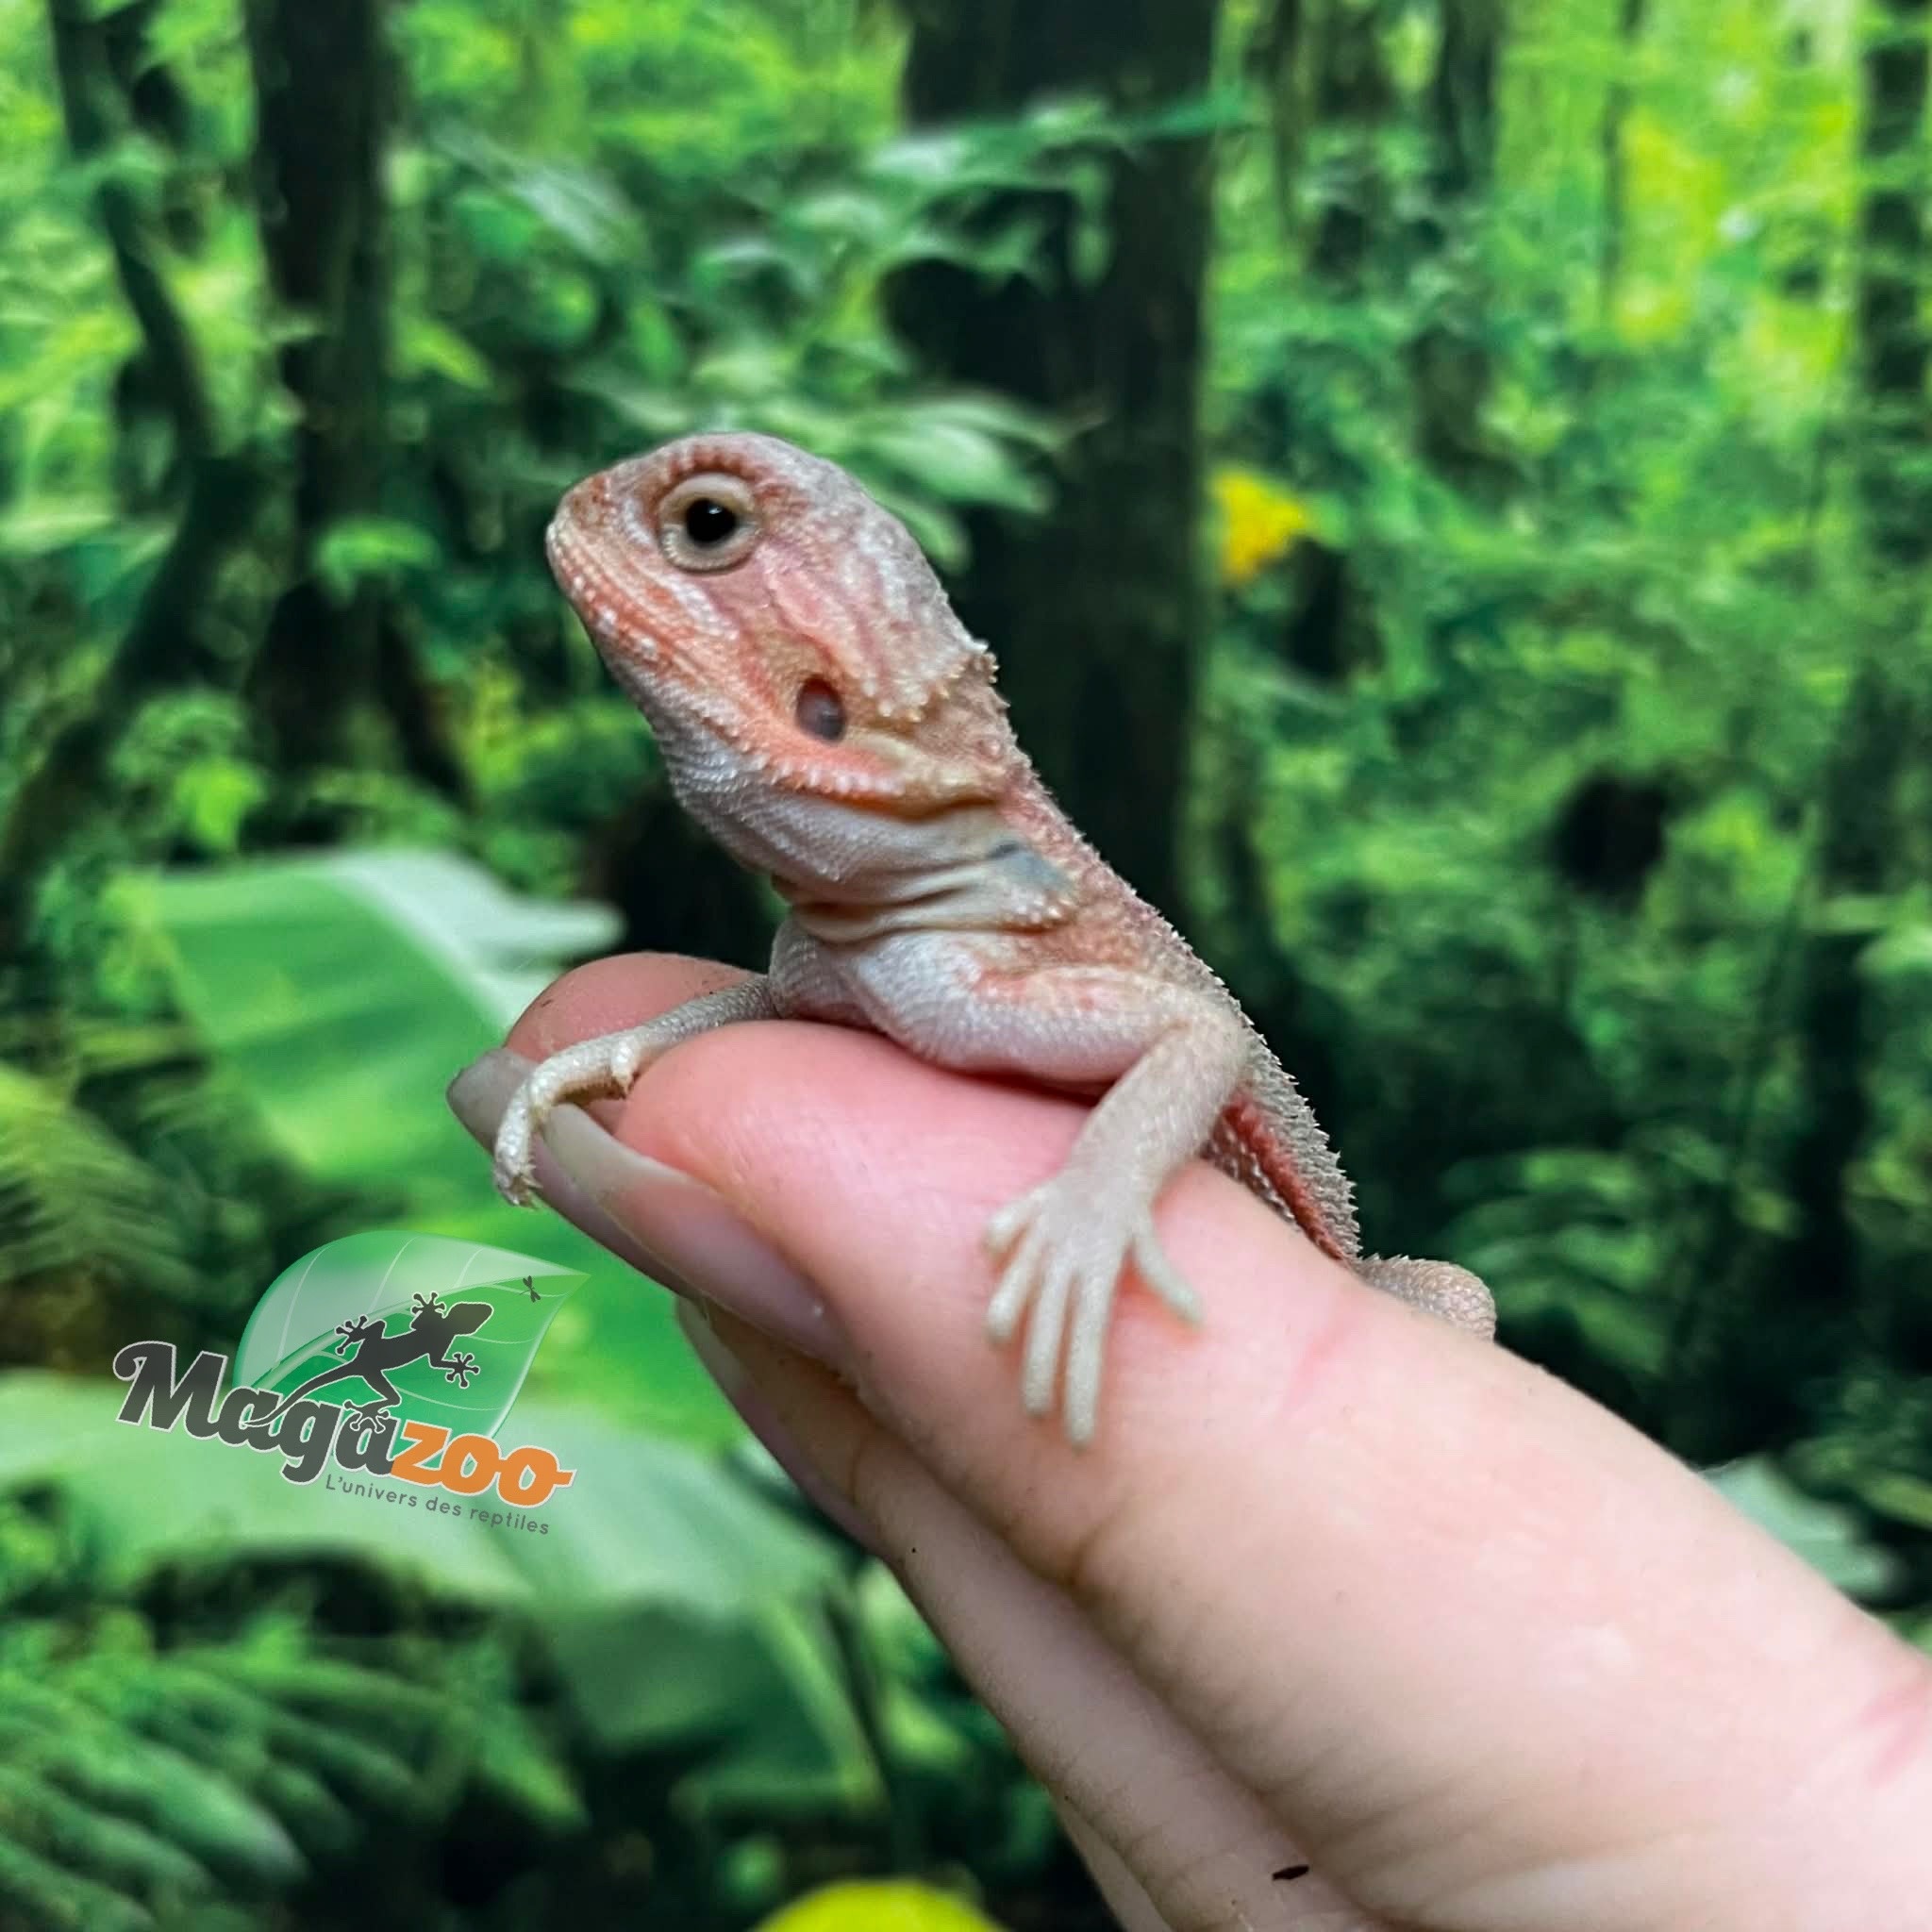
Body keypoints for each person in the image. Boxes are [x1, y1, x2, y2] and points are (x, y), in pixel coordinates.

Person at [450, 953, 1932, 1932]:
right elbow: (786, 993)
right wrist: (642, 1046)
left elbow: (1219, 1071)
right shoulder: (848, 947)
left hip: (1323, 1361)